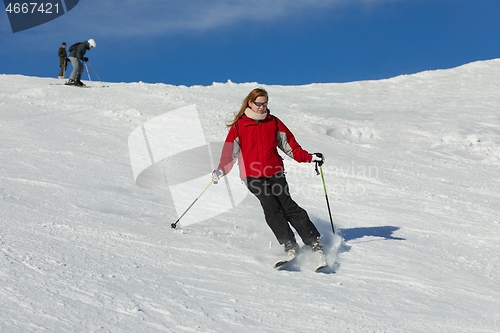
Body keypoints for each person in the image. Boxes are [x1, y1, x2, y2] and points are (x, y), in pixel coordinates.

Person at [211, 88, 325, 258]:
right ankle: (289, 243)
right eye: (258, 104)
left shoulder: (273, 122)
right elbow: (230, 153)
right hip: (252, 175)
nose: (262, 107)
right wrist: (221, 169)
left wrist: (309, 158)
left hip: (275, 171)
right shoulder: (240, 126)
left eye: (265, 104)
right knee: (271, 206)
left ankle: (313, 241)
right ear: (250, 103)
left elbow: (290, 146)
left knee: (287, 205)